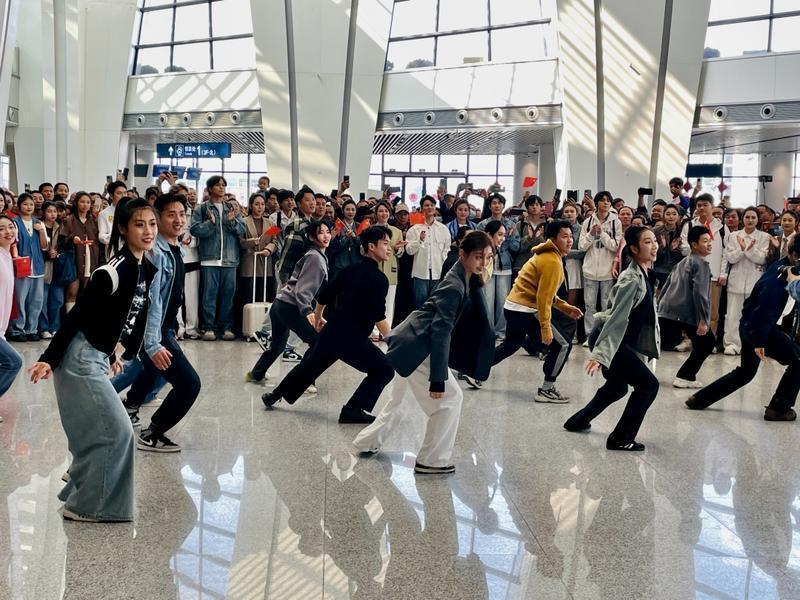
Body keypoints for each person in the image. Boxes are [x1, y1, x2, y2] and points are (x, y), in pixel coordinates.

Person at [27, 198, 159, 522]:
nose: (148, 231)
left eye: (151, 224)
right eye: (139, 224)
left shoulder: (142, 267)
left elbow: (124, 315)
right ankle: (87, 507)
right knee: (117, 432)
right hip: (79, 359)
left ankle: (84, 496)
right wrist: (48, 358)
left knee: (103, 432)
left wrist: (114, 351)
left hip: (95, 356)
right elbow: (77, 316)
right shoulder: (112, 271)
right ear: (123, 229)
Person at [352, 230, 495, 474]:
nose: (484, 263)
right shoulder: (455, 285)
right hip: (417, 348)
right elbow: (440, 333)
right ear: (463, 255)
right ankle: (432, 460)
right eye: (479, 257)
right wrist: (437, 379)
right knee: (450, 400)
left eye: (488, 257)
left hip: (408, 344)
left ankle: (366, 442)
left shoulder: (463, 275)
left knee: (400, 402)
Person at [262, 226, 395, 423]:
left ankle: (275, 395)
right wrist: (393, 341)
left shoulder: (348, 270)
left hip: (332, 331)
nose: (389, 248)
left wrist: (318, 317)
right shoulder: (379, 279)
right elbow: (378, 315)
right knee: (384, 370)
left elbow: (324, 295)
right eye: (385, 244)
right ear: (371, 246)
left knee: (310, 366)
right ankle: (353, 410)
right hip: (353, 338)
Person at [564, 226, 660, 451]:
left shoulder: (645, 274)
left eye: (655, 240)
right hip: (611, 339)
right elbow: (616, 319)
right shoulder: (631, 279)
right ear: (634, 248)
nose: (654, 246)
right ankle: (620, 439)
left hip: (620, 341)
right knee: (648, 386)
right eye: (647, 242)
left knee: (617, 387)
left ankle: (577, 421)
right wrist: (601, 355)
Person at [686, 237, 800, 422]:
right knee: (798, 361)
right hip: (760, 329)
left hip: (750, 325)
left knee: (745, 373)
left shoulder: (784, 266)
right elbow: (764, 309)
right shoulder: (780, 276)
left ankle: (699, 399)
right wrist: (759, 341)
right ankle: (779, 409)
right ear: (794, 256)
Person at [122, 194, 201, 452]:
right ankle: (152, 434)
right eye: (171, 214)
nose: (178, 220)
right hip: (154, 331)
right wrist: (154, 342)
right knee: (189, 384)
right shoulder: (155, 252)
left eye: (182, 214)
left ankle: (130, 407)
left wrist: (173, 327)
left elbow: (171, 296)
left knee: (152, 370)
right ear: (157, 218)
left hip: (164, 327)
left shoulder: (174, 248)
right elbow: (153, 301)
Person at [484, 220, 583, 401]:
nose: (569, 240)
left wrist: (565, 307)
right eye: (564, 236)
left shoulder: (548, 254)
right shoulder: (552, 260)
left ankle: (474, 370)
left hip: (513, 306)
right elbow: (543, 298)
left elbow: (542, 291)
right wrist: (545, 328)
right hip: (525, 310)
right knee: (563, 345)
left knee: (511, 345)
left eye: (571, 236)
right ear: (553, 238)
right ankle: (547, 389)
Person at [246, 220, 331, 384]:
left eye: (327, 232)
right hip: (291, 307)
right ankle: (303, 382)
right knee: (316, 343)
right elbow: (303, 290)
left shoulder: (316, 255)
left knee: (278, 344)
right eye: (321, 233)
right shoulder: (315, 257)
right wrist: (308, 311)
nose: (326, 236)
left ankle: (256, 374)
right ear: (312, 237)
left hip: (280, 304)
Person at [658, 226, 715, 388]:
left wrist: (660, 308)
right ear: (694, 245)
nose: (709, 244)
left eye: (710, 241)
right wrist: (703, 320)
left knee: (656, 343)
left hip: (668, 310)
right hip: (683, 312)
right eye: (705, 241)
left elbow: (667, 285)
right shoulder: (701, 264)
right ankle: (685, 376)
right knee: (707, 342)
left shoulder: (683, 262)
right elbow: (700, 293)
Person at [190, 175, 245, 341]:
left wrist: (231, 222)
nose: (221, 188)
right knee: (209, 295)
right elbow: (194, 229)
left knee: (228, 295)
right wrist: (210, 224)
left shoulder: (232, 208)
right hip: (209, 258)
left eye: (223, 185)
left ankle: (226, 327)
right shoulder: (202, 209)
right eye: (218, 185)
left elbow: (241, 230)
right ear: (210, 188)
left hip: (230, 258)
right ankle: (209, 327)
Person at [723, 207, 769, 355]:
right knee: (733, 315)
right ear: (742, 219)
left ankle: (751, 345)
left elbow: (762, 259)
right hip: (736, 280)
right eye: (747, 217)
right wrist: (742, 249)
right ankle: (732, 344)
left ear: (757, 219)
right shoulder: (733, 236)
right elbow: (730, 257)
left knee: (753, 315)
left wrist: (749, 250)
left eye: (753, 217)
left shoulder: (764, 237)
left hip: (755, 281)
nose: (750, 220)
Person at [680, 193, 728, 336]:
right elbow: (684, 248)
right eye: (699, 205)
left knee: (712, 311)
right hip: (693, 274)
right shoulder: (689, 225)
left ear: (712, 207)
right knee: (691, 309)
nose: (701, 208)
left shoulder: (722, 228)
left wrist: (723, 273)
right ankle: (690, 340)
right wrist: (698, 248)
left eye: (705, 205)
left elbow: (726, 253)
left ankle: (709, 340)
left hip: (714, 275)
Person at [579, 191, 621, 340]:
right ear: (596, 203)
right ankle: (589, 335)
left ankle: (604, 334)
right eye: (602, 200)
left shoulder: (616, 222)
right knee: (589, 305)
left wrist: (602, 234)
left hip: (607, 271)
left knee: (606, 305)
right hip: (590, 270)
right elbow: (582, 246)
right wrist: (591, 234)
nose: (606, 203)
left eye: (608, 200)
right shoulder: (588, 221)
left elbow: (616, 247)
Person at [10, 193, 47, 342]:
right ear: (19, 206)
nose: (29, 207)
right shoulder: (14, 222)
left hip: (37, 266)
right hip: (21, 266)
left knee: (36, 300)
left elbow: (44, 246)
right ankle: (17, 330)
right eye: (25, 204)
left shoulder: (39, 223)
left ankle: (32, 329)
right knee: (20, 299)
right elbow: (13, 243)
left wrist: (42, 231)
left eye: (31, 204)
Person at [405, 195, 450, 308]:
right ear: (421, 208)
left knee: (436, 305)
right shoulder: (414, 229)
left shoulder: (443, 229)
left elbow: (447, 249)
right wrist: (419, 241)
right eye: (426, 205)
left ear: (435, 207)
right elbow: (409, 250)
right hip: (420, 273)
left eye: (432, 205)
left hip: (438, 273)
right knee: (420, 306)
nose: (429, 207)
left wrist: (443, 264)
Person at [60, 191, 100, 312]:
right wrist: (72, 239)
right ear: (76, 203)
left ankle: (84, 319)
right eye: (82, 202)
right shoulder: (69, 220)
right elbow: (61, 242)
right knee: (72, 292)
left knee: (88, 292)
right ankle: (69, 320)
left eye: (88, 202)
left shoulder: (93, 220)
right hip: (75, 260)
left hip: (91, 259)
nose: (85, 205)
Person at [0, 215, 23, 421]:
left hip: (1, 327)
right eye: (1, 229)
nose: (8, 232)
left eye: (10, 227)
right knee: (13, 362)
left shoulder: (7, 255)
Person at [373, 201, 405, 330]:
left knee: (389, 301)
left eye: (386, 211)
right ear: (376, 213)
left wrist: (397, 249)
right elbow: (362, 250)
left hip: (391, 269)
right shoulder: (370, 230)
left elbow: (401, 253)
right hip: (374, 268)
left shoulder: (396, 231)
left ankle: (387, 331)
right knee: (373, 300)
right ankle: (374, 331)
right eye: (380, 211)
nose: (384, 213)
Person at [38, 200, 67, 339]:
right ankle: (43, 328)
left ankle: (55, 327)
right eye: (49, 211)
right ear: (43, 213)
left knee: (57, 300)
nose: (53, 214)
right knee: (42, 300)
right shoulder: (38, 226)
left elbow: (65, 246)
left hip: (57, 268)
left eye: (55, 211)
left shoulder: (61, 227)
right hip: (43, 267)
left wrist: (57, 252)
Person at [97, 181, 127, 259]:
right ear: (111, 195)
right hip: (113, 253)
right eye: (119, 193)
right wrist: (116, 235)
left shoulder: (131, 212)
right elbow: (102, 237)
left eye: (125, 193)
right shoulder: (104, 214)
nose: (123, 196)